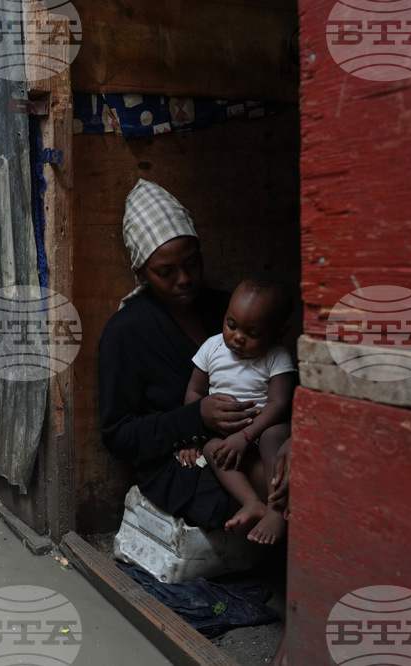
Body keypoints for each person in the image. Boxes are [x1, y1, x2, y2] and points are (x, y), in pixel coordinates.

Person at [99, 179, 259, 530]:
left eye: (192, 264)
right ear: (141, 272)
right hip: (179, 463)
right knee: (257, 482)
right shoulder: (126, 332)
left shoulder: (228, 310)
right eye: (165, 272)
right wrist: (193, 418)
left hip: (254, 437)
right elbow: (117, 434)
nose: (184, 279)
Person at [183, 275, 297, 546]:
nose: (238, 337)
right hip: (225, 434)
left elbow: (279, 404)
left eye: (252, 333)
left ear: (278, 332)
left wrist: (246, 436)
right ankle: (251, 503)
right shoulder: (212, 347)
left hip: (261, 430)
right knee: (212, 448)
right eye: (231, 324)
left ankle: (275, 510)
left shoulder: (276, 355)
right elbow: (194, 393)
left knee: (274, 436)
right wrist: (191, 435)